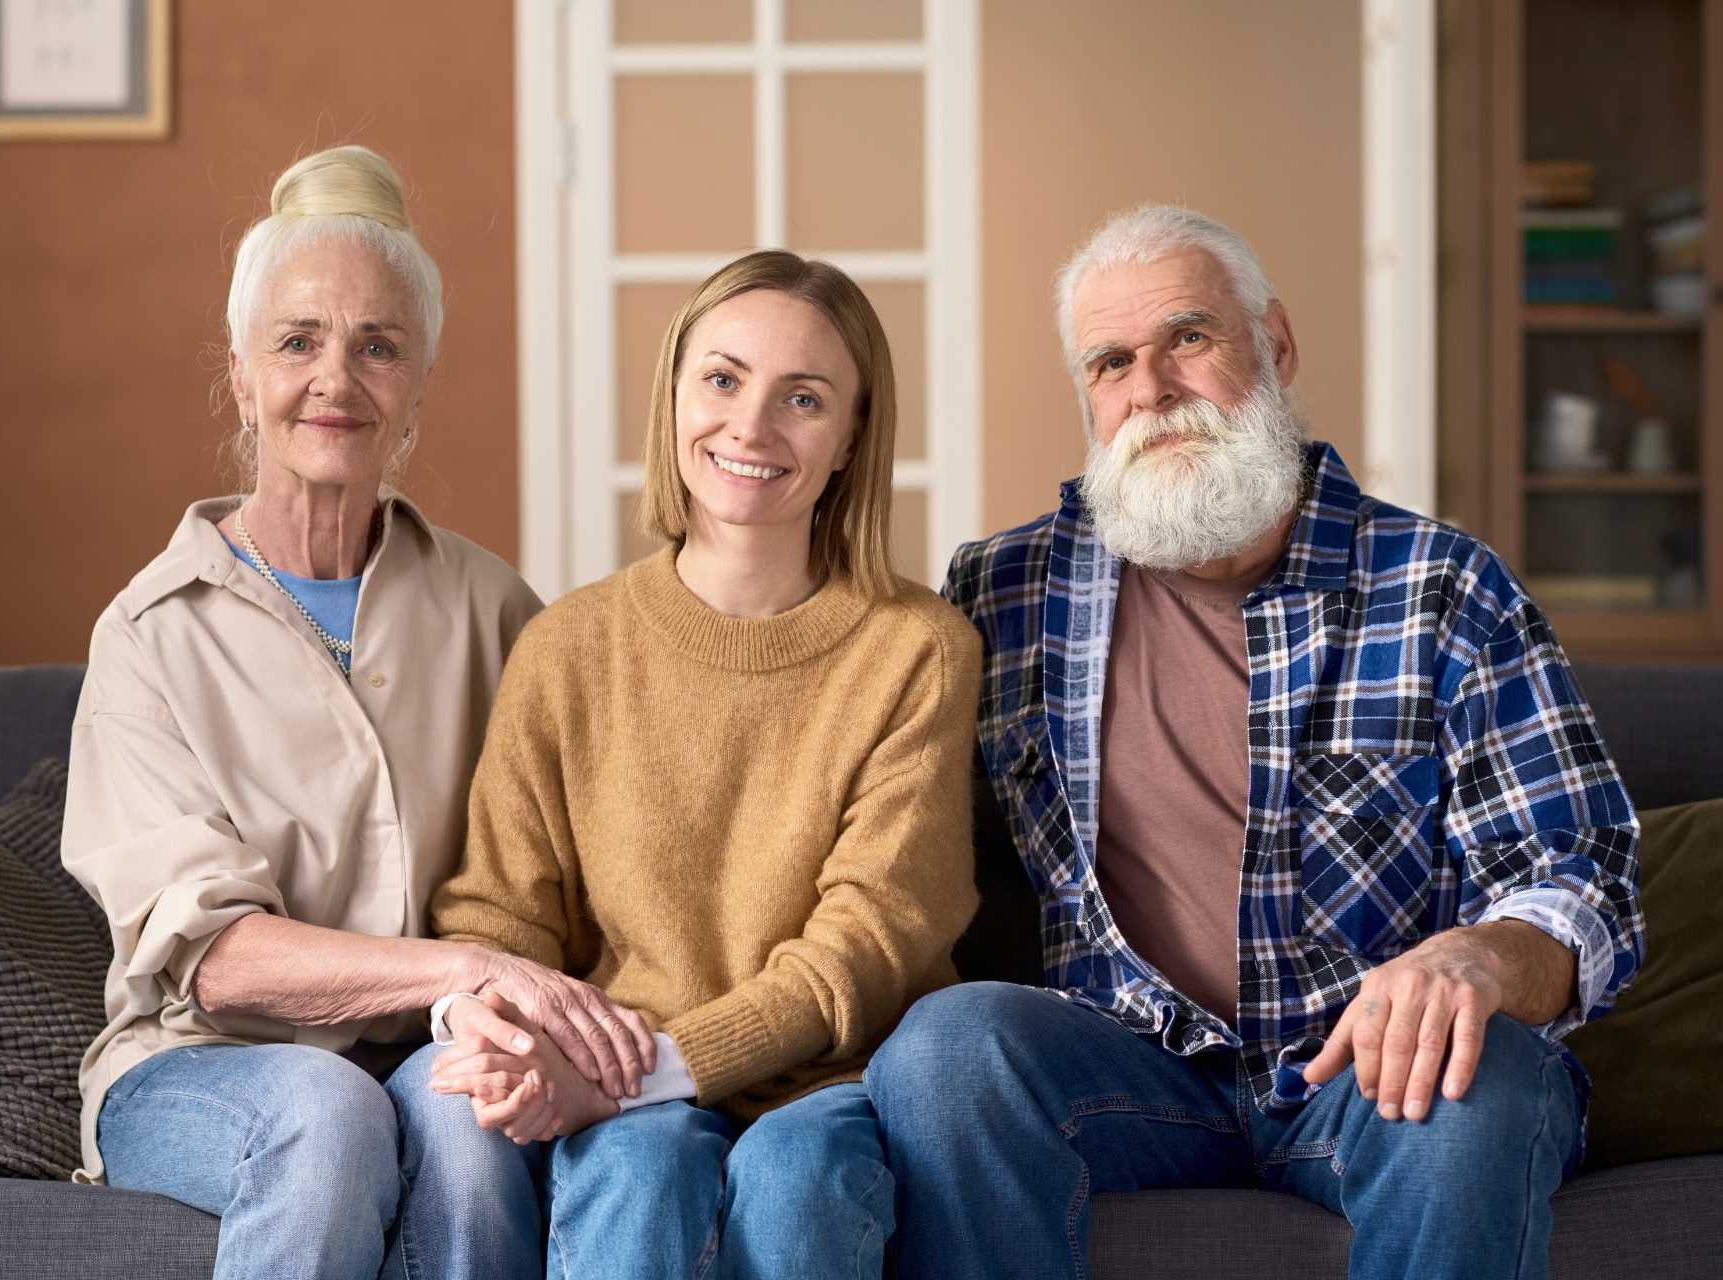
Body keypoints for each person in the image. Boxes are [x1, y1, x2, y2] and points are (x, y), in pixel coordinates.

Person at [866, 205, 1644, 1280]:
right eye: (1110, 361)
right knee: (948, 1049)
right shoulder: (1005, 592)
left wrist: (1478, 956)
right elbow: (878, 825)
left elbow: (1580, 878)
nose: (1152, 389)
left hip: (1372, 1076)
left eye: (1189, 337)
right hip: (1127, 1075)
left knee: (1486, 1079)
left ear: (1273, 344)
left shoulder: (1444, 587)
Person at [61, 145, 657, 1280]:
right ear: (241, 375)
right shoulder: (149, 632)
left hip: (428, 1048)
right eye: (298, 342)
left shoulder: (493, 606)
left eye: (378, 345)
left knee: (471, 1131)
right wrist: (458, 969)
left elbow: (583, 861)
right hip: (198, 1061)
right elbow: (221, 960)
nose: (336, 377)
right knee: (325, 1112)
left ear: (417, 386)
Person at [422, 249, 981, 1280]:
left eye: (802, 398)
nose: (751, 428)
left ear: (853, 436)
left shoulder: (918, 649)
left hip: (827, 1085)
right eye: (721, 379)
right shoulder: (568, 646)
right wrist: (507, 1038)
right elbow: (499, 921)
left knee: (796, 1178)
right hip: (615, 1078)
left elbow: (866, 941)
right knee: (638, 1171)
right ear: (673, 392)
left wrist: (642, 1071)